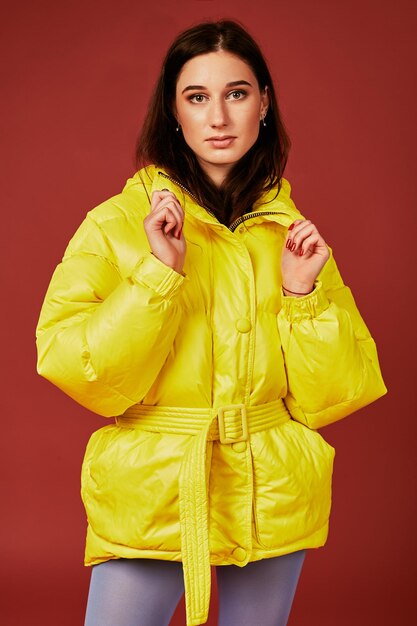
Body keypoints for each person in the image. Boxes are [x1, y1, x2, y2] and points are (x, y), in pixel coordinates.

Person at [35, 19, 387, 626]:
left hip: (267, 488)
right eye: (197, 97)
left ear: (265, 103)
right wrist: (157, 275)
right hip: (159, 487)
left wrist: (302, 294)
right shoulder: (116, 225)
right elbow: (78, 368)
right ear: (173, 112)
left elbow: (336, 393)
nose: (218, 117)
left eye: (237, 93)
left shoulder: (290, 233)